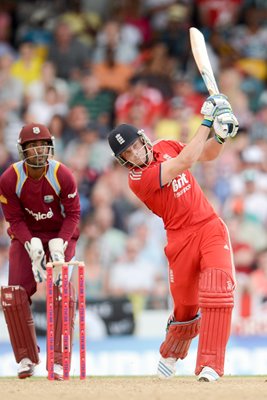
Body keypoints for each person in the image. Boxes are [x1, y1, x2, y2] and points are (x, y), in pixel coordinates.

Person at [107, 93, 239, 382]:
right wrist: (207, 119)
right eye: (126, 154)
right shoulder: (137, 180)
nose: (133, 155)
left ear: (143, 139)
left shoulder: (165, 145)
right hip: (179, 239)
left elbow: (206, 154)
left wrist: (220, 135)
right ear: (122, 161)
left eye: (133, 147)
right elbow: (186, 161)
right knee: (185, 309)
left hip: (209, 226)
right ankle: (171, 352)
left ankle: (210, 365)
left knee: (217, 289)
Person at [0, 123, 80, 380]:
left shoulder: (62, 174)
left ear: (51, 146)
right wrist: (28, 241)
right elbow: (13, 219)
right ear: (22, 150)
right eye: (32, 146)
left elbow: (74, 214)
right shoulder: (10, 178)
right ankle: (26, 357)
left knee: (62, 294)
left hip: (60, 236)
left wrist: (61, 241)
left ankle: (58, 361)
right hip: (27, 237)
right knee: (14, 295)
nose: (37, 150)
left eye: (42, 144)